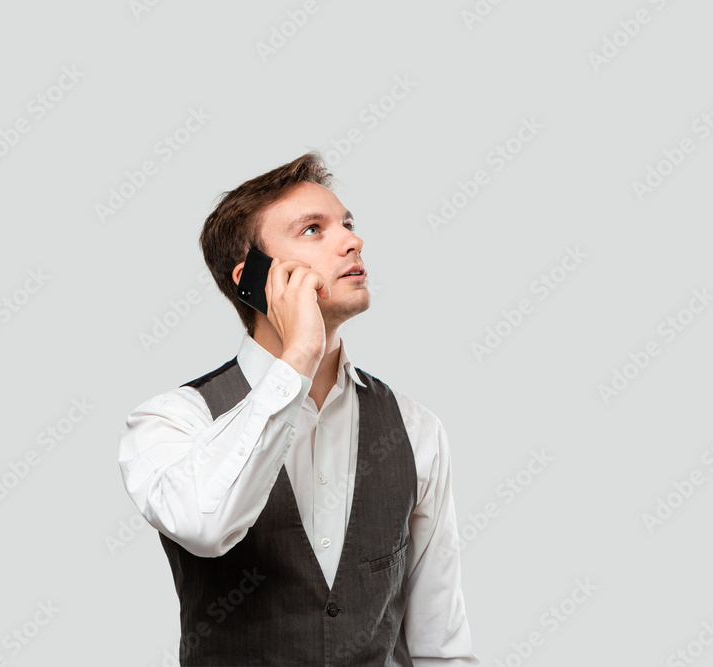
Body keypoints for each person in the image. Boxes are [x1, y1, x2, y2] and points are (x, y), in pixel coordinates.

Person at [117, 152, 481, 665]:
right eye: (313, 230)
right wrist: (299, 356)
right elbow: (205, 525)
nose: (352, 241)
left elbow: (439, 646)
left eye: (347, 224)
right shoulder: (171, 420)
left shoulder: (415, 428)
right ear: (254, 279)